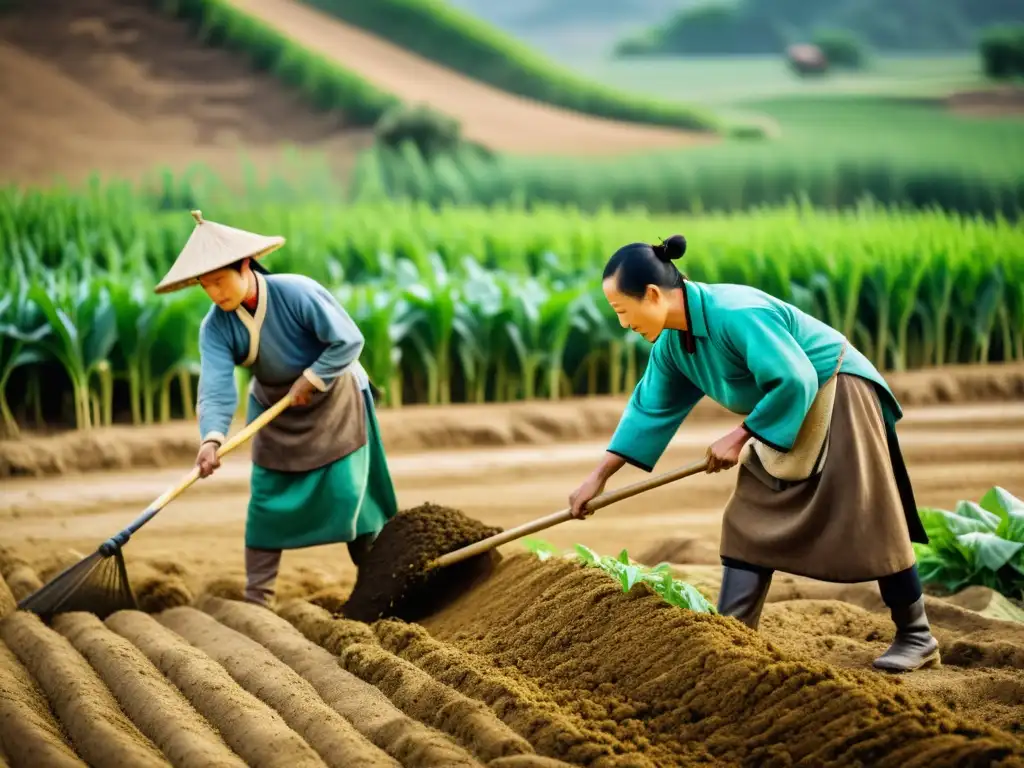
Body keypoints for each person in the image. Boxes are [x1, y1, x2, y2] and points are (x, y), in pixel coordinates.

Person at [568, 233, 940, 674]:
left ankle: (917, 636)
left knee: (869, 512)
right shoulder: (672, 343)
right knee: (747, 517)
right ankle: (732, 634)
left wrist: (740, 436)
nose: (623, 324)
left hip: (837, 389)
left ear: (652, 295)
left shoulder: (736, 313)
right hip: (782, 408)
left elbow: (796, 377)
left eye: (622, 311)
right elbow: (648, 409)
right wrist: (599, 477)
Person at [154, 210, 398, 607]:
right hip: (275, 411)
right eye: (206, 286)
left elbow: (348, 340)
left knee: (349, 494)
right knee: (267, 503)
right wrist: (211, 439)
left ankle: (377, 585)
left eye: (220, 281)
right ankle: (257, 599)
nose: (215, 294)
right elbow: (215, 387)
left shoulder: (297, 292)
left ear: (245, 265)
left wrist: (313, 377)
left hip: (335, 400)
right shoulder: (215, 328)